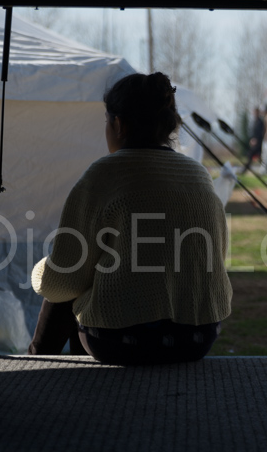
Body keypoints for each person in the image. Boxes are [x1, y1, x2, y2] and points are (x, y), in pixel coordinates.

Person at [28, 72, 233, 365]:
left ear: (119, 124)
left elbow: (62, 280)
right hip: (197, 338)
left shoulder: (104, 175)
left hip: (124, 341)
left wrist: (38, 271)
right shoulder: (198, 174)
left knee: (69, 288)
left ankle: (35, 367)